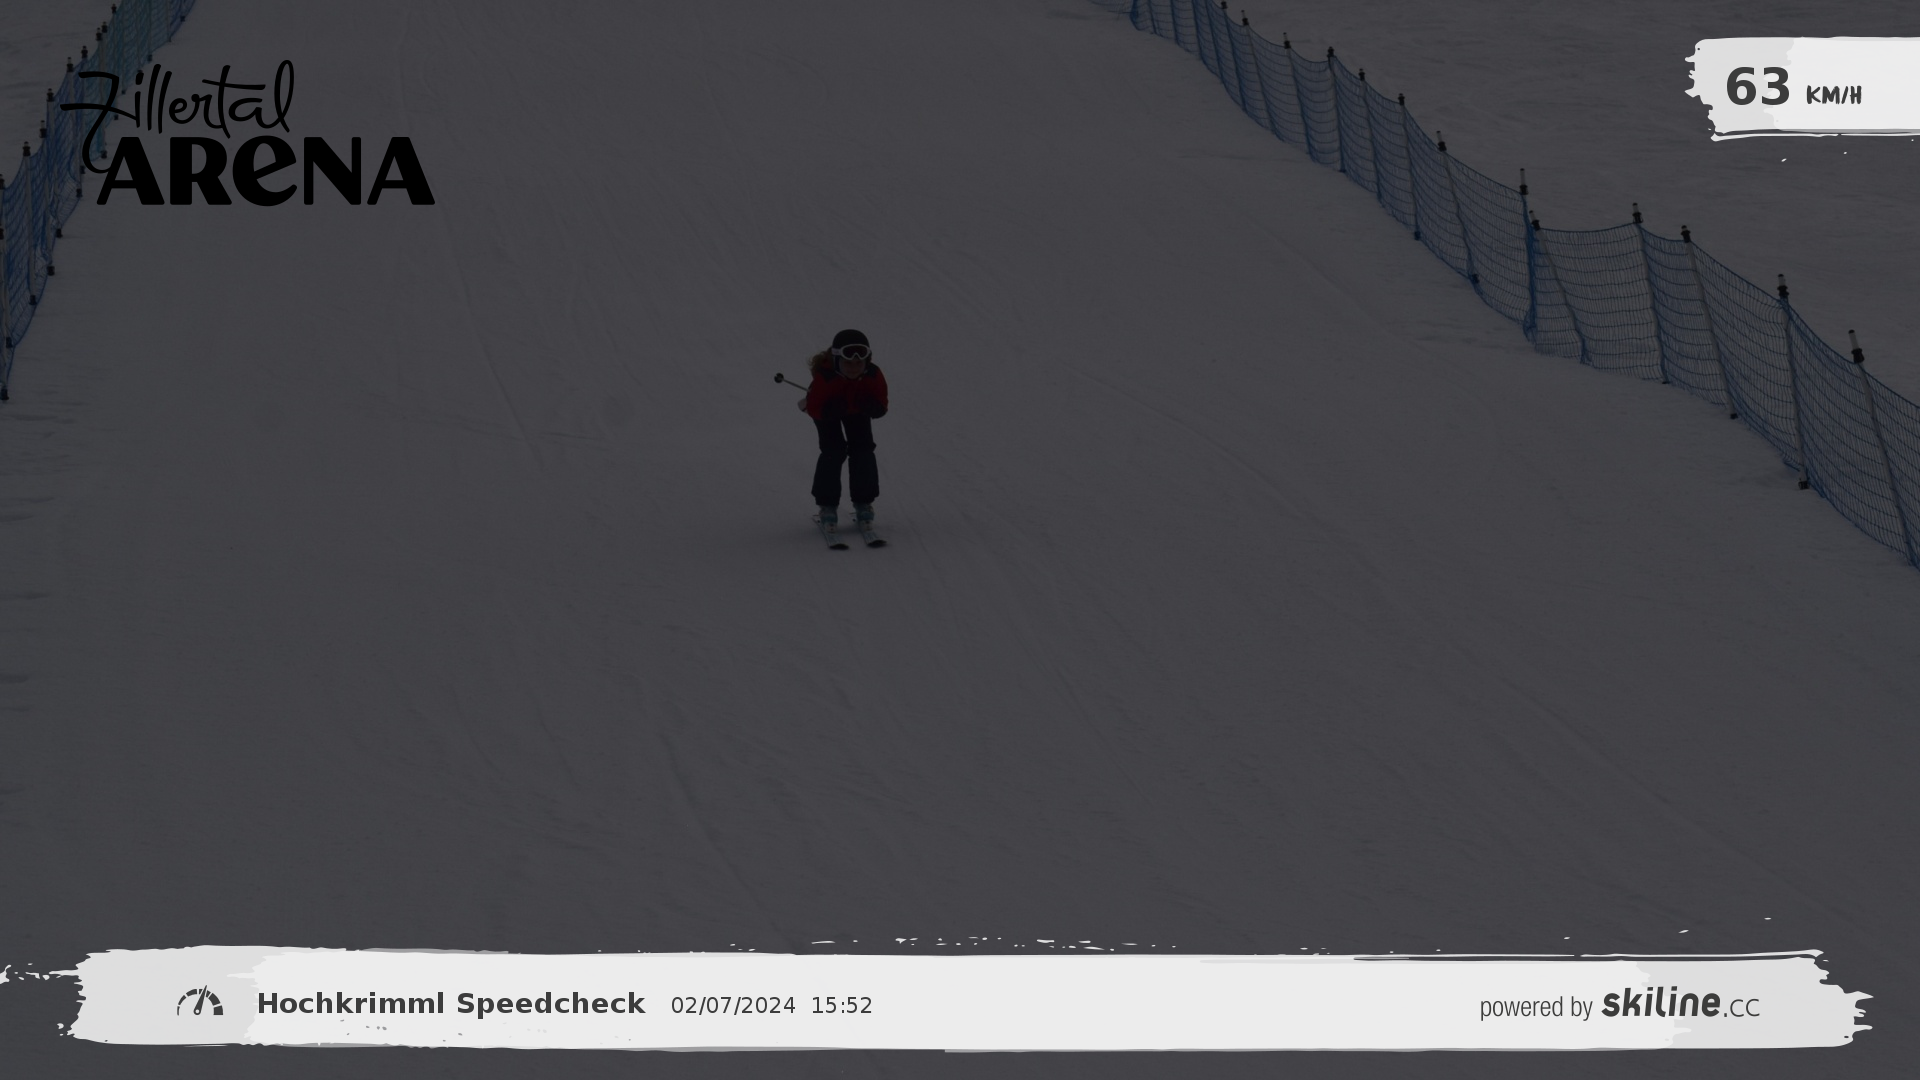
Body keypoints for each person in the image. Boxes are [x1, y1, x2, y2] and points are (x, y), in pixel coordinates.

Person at [802, 328, 889, 529]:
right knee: (834, 451)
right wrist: (828, 410)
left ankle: (863, 502)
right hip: (828, 414)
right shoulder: (826, 377)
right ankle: (827, 506)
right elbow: (813, 407)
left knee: (863, 450)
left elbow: (882, 403)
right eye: (848, 363)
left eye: (859, 363)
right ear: (836, 360)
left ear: (867, 361)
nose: (853, 368)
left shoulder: (873, 375)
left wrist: (873, 407)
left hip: (857, 411)